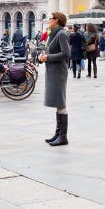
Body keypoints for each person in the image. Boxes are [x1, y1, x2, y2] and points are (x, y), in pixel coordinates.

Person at [38, 13, 71, 146]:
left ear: (56, 20)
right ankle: (58, 133)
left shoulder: (61, 34)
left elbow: (66, 54)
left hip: (59, 72)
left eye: (51, 19)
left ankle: (63, 136)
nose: (49, 21)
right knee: (58, 102)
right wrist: (43, 57)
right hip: (52, 71)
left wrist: (48, 58)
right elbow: (51, 51)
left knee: (60, 102)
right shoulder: (53, 33)